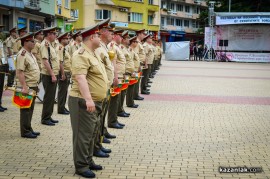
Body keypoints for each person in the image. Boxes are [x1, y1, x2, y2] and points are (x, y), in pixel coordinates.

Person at [68, 24, 108, 178]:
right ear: (92, 37)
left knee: (91, 133)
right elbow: (80, 78)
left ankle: (88, 160)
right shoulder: (81, 54)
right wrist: (89, 100)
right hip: (83, 101)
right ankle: (81, 166)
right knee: (83, 135)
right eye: (98, 35)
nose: (100, 38)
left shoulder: (93, 53)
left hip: (95, 101)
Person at [15, 33, 40, 138]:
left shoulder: (30, 53)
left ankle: (28, 128)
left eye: (34, 41)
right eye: (32, 41)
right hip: (27, 86)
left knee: (30, 109)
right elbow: (20, 72)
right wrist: (24, 86)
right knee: (25, 109)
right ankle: (25, 132)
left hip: (32, 85)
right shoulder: (23, 54)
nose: (34, 43)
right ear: (25, 42)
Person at [40, 27, 60, 126]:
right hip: (48, 75)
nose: (55, 35)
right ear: (48, 34)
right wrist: (52, 74)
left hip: (53, 74)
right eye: (53, 33)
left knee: (51, 97)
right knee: (48, 97)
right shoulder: (45, 45)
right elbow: (45, 61)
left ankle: (49, 116)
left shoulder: (50, 45)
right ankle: (45, 118)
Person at [107, 29, 126, 129]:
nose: (121, 38)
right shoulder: (112, 46)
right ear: (115, 36)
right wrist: (115, 76)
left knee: (117, 100)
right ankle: (112, 121)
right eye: (120, 36)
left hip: (119, 75)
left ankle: (114, 119)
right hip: (116, 76)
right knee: (114, 100)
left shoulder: (117, 47)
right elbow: (112, 61)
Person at [118, 30, 131, 116]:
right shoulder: (121, 48)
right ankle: (119, 110)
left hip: (126, 74)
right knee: (121, 93)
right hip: (124, 74)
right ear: (123, 39)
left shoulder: (125, 48)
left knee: (124, 91)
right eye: (127, 38)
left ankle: (121, 109)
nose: (128, 40)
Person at [57, 32, 71, 115]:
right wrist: (62, 74)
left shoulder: (64, 48)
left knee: (65, 91)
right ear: (62, 40)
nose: (68, 40)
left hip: (67, 71)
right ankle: (60, 108)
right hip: (64, 72)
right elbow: (60, 62)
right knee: (62, 91)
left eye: (68, 38)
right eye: (66, 39)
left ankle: (62, 107)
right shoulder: (60, 48)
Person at [126, 36, 140, 108]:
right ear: (133, 42)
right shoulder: (130, 50)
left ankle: (131, 102)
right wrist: (133, 71)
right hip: (132, 71)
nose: (137, 43)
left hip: (135, 70)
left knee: (133, 86)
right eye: (136, 42)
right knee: (130, 87)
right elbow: (130, 62)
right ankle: (130, 103)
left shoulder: (134, 49)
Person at [134, 29, 147, 97]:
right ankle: (135, 95)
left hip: (140, 64)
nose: (144, 35)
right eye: (143, 34)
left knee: (138, 80)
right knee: (136, 81)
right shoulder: (136, 42)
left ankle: (136, 94)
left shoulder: (140, 42)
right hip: (137, 64)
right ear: (139, 34)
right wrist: (138, 65)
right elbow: (136, 55)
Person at [0, 24, 8, 112]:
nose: (1, 32)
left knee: (1, 86)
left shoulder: (1, 42)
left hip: (2, 65)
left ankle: (0, 103)